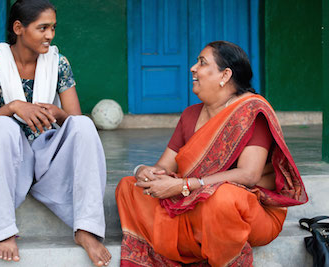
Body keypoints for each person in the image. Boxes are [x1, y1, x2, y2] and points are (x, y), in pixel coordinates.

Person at [115, 41, 308, 267]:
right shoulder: (189, 115)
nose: (192, 68)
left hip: (249, 213)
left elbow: (249, 175)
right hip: (194, 208)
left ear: (225, 75)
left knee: (222, 198)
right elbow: (164, 168)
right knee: (129, 188)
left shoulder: (250, 111)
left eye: (202, 63)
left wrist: (186, 185)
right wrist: (145, 172)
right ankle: (191, 243)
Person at [0, 0, 111, 266]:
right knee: (2, 126)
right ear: (19, 28)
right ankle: (2, 230)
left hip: (46, 154)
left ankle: (86, 228)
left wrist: (55, 113)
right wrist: (14, 107)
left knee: (83, 124)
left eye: (53, 28)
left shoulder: (58, 63)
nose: (50, 35)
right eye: (43, 28)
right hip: (6, 155)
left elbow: (73, 119)